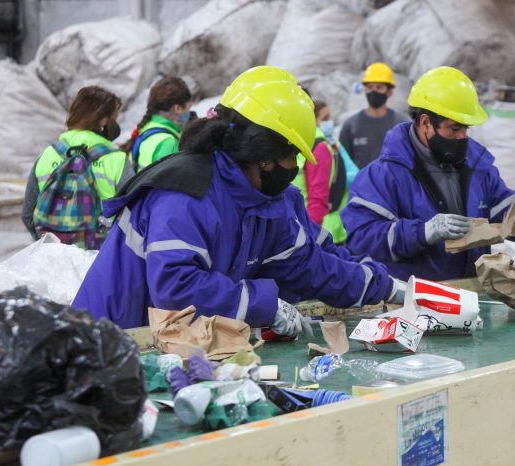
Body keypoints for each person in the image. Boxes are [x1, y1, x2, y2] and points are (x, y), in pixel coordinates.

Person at [72, 66, 405, 337]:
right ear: (266, 156)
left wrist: (385, 286)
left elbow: (306, 266)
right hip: (114, 337)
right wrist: (265, 304)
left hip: (166, 341)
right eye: (292, 157)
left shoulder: (258, 199)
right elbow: (177, 288)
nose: (295, 169)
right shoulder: (185, 194)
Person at [341, 66, 515, 282]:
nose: (463, 136)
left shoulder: (478, 167)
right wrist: (422, 232)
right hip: (411, 304)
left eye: (466, 128)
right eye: (454, 128)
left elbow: (510, 223)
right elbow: (362, 239)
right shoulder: (383, 175)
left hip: (471, 295)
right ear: (425, 123)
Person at [21, 85, 134, 248]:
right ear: (103, 119)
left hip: (54, 256)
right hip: (99, 258)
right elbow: (131, 216)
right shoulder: (116, 159)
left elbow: (27, 214)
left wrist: (45, 245)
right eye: (113, 117)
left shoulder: (48, 154)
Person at [292, 100, 354, 244]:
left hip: (321, 230)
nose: (329, 122)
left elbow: (317, 198)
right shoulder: (303, 142)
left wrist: (309, 238)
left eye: (329, 118)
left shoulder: (320, 146)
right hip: (305, 228)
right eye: (325, 118)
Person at [339, 62, 408, 170]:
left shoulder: (401, 124)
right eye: (370, 87)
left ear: (389, 92)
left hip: (392, 186)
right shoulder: (351, 125)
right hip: (361, 186)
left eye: (379, 87)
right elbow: (344, 164)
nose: (374, 91)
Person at [122, 76, 193, 172]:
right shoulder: (168, 142)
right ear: (177, 108)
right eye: (188, 107)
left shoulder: (147, 127)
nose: (189, 112)